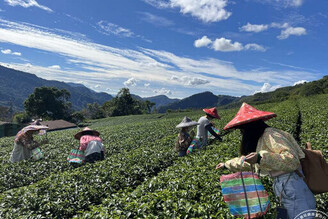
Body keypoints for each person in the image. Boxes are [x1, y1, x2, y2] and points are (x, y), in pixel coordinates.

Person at [216, 103, 316, 219]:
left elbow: (291, 160)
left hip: (292, 184)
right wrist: (226, 164)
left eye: (242, 129)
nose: (242, 133)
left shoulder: (270, 134)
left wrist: (261, 157)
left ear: (250, 127)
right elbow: (248, 161)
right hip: (282, 185)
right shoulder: (261, 138)